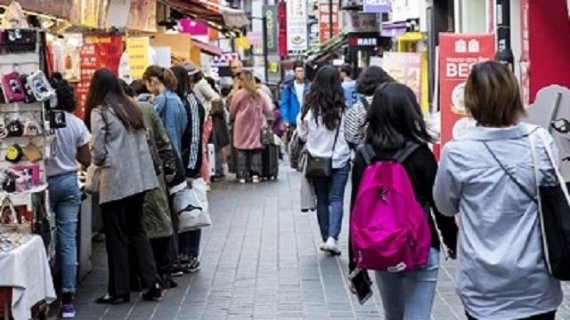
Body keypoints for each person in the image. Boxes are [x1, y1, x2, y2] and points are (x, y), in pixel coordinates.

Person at [433, 61, 562, 320]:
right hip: (536, 284)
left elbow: (444, 206)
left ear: (470, 100)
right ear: (515, 96)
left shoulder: (458, 152)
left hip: (483, 286)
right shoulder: (540, 141)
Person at [349, 82, 458, 319]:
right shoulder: (420, 154)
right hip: (419, 246)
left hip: (380, 246)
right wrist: (453, 241)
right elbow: (439, 205)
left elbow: (356, 211)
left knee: (393, 315)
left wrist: (354, 262)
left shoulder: (363, 156)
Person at [84, 69, 163, 304]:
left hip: (115, 182)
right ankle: (152, 283)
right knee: (137, 231)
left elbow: (97, 150)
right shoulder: (131, 107)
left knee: (116, 236)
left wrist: (100, 162)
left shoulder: (100, 112)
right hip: (138, 180)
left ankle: (119, 290)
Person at [121, 80, 179, 289]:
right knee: (160, 222)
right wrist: (170, 167)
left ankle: (144, 275)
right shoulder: (147, 109)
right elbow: (164, 142)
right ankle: (163, 272)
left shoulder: (117, 112)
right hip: (154, 174)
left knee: (138, 227)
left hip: (131, 179)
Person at [45, 73, 91, 318]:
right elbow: (86, 159)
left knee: (41, 239)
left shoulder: (39, 121)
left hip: (41, 185)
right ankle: (68, 300)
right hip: (68, 182)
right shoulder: (75, 122)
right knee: (67, 240)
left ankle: (40, 293)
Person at [297, 66, 351, 254]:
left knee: (322, 199)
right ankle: (332, 238)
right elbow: (349, 134)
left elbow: (302, 135)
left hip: (316, 160)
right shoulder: (343, 108)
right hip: (340, 159)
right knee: (336, 199)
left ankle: (325, 236)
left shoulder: (309, 109)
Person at [171, 65, 206, 273]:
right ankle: (183, 253)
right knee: (183, 209)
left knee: (191, 209)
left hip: (188, 167)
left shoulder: (191, 103)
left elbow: (195, 139)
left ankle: (190, 254)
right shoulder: (180, 101)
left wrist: (191, 170)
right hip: (182, 165)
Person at [229, 70, 273, 183]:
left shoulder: (238, 94)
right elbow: (268, 109)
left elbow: (232, 109)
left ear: (242, 80)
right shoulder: (259, 94)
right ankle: (255, 175)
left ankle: (242, 175)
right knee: (256, 150)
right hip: (256, 124)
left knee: (241, 150)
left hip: (241, 125)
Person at [142, 65, 188, 158]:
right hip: (177, 152)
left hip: (167, 156)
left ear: (152, 81)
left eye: (146, 83)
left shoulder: (162, 100)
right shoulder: (175, 98)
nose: (147, 88)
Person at [345, 66, 394, 147]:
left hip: (370, 153)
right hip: (397, 152)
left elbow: (351, 137)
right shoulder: (395, 102)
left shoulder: (358, 108)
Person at [280, 62, 310, 168]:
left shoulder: (309, 86)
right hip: (293, 119)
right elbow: (284, 104)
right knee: (295, 141)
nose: (301, 74)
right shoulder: (289, 87)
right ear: (294, 73)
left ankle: (303, 161)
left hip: (306, 118)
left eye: (302, 71)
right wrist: (285, 118)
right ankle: (295, 161)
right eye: (298, 71)